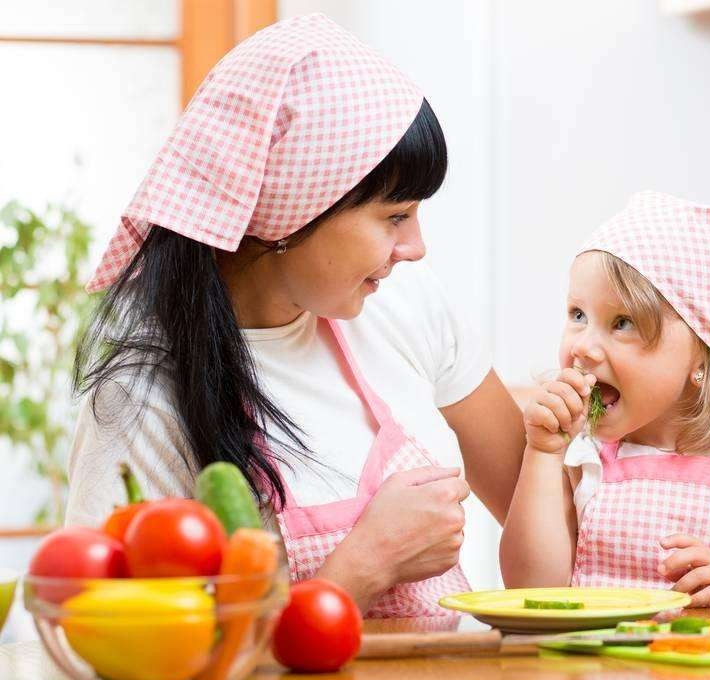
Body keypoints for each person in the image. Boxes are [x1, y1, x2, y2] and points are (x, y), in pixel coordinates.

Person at [66, 14, 524, 617]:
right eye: (394, 217)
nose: (415, 247)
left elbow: (546, 525)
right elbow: (124, 641)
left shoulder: (407, 302)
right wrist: (366, 562)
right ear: (294, 208)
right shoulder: (144, 401)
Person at [500, 191, 710, 606]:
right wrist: (542, 453)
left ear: (703, 353)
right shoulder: (578, 455)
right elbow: (529, 592)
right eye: (578, 315)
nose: (582, 346)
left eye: (623, 323)